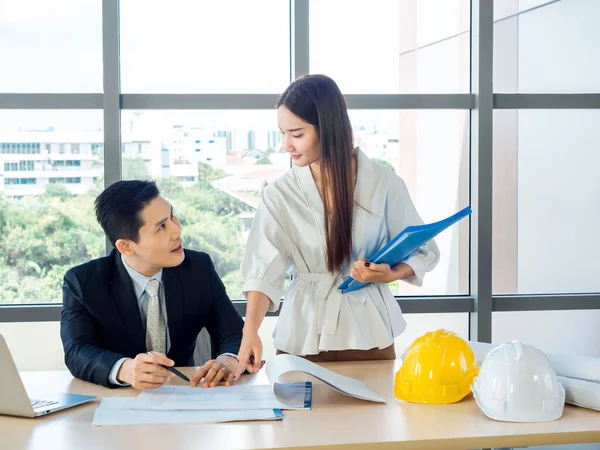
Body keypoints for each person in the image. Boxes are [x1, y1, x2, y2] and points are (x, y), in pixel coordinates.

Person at [234, 74, 440, 378]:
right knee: (298, 424)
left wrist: (391, 273)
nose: (286, 145)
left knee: (372, 421)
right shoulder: (279, 193)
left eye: (297, 134)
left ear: (328, 128)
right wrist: (250, 331)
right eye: (282, 133)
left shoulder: (384, 184)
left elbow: (425, 250)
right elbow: (264, 268)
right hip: (302, 332)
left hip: (369, 332)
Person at [60, 180, 244, 389]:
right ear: (126, 246)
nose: (177, 231)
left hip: (185, 393)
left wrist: (229, 359)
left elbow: (234, 332)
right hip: (119, 401)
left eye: (172, 216)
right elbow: (77, 350)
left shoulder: (198, 268)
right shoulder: (83, 281)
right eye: (161, 227)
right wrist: (124, 369)